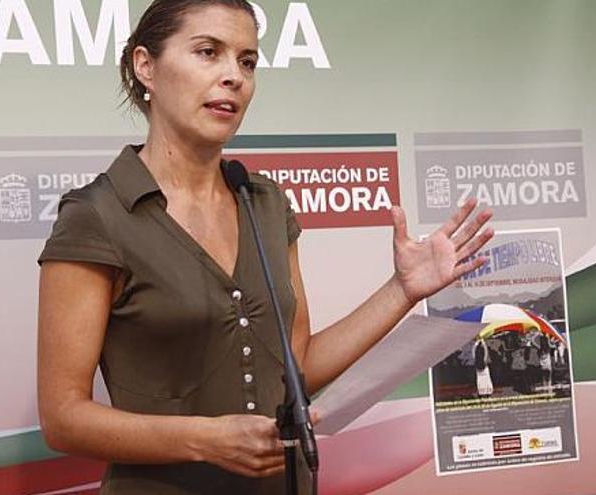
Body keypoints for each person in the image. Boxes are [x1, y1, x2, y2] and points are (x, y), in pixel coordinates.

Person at [35, 1, 493, 493]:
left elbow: (294, 368)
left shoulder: (265, 203)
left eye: (247, 61)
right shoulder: (97, 214)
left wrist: (402, 290)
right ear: (146, 66)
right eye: (208, 52)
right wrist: (204, 440)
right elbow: (63, 419)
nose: (233, 76)